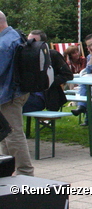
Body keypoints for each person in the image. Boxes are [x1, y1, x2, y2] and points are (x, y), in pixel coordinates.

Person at [0, 11, 33, 176]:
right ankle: (8, 170)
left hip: (9, 95)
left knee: (13, 135)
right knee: (6, 134)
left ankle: (25, 173)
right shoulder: (16, 34)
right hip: (16, 91)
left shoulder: (4, 44)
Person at [22, 30, 73, 114]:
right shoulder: (25, 56)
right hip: (26, 93)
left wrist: (47, 81)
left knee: (10, 106)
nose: (30, 44)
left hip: (44, 96)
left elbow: (67, 75)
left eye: (34, 42)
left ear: (43, 44)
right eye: (29, 41)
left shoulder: (52, 55)